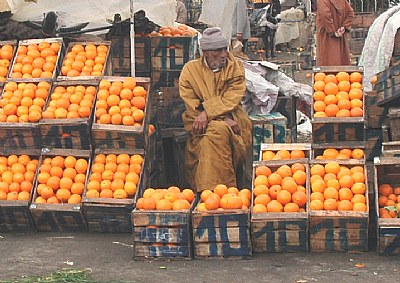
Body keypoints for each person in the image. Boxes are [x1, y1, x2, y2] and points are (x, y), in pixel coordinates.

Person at [179, 27, 252, 192]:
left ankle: (210, 191)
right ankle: (220, 192)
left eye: (224, 50)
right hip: (198, 120)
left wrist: (209, 113)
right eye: (216, 51)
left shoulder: (235, 67)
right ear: (204, 52)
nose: (223, 55)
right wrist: (219, 118)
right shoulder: (190, 71)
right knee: (215, 132)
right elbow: (192, 105)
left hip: (233, 116)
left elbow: (231, 98)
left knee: (215, 133)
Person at [316, 0, 354, 66]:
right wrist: (344, 27)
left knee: (326, 62)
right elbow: (350, 13)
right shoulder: (343, 1)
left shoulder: (323, 1)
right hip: (341, 36)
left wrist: (332, 31)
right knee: (342, 63)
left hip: (326, 36)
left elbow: (325, 14)